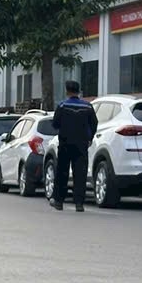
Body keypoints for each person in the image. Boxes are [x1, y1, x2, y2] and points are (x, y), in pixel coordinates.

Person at [50, 80, 97, 211]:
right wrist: (89, 138)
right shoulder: (88, 107)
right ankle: (79, 203)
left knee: (62, 172)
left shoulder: (62, 106)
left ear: (67, 91)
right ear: (78, 91)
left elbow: (55, 124)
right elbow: (94, 124)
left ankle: (59, 201)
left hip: (65, 143)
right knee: (80, 173)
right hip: (81, 144)